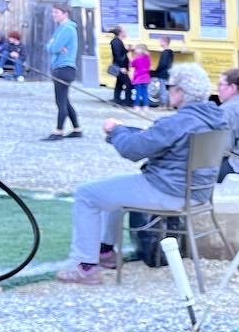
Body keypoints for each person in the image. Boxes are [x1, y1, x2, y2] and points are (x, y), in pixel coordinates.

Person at [56, 63, 226, 285]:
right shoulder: (216, 119)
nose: (167, 90)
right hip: (196, 193)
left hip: (167, 191)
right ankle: (105, 252)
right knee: (113, 191)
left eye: (170, 86)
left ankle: (86, 267)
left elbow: (133, 150)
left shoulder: (178, 121)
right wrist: (126, 130)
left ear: (180, 92)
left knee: (86, 194)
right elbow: (158, 139)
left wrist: (114, 129)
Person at [44, 5, 82, 140]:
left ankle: (58, 131)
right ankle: (77, 129)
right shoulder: (61, 28)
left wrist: (55, 45)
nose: (53, 14)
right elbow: (49, 46)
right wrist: (54, 46)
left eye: (56, 12)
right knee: (65, 100)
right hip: (63, 68)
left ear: (65, 14)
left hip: (64, 68)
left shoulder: (67, 29)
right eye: (53, 12)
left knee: (60, 101)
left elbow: (54, 47)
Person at [109, 26, 132, 107]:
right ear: (120, 33)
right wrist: (121, 67)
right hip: (120, 67)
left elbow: (121, 53)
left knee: (119, 83)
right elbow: (118, 55)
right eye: (124, 31)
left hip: (121, 66)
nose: (126, 33)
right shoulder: (116, 42)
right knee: (128, 84)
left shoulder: (118, 41)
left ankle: (116, 99)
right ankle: (127, 102)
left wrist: (127, 50)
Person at [152, 36, 174, 107]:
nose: (159, 43)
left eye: (160, 41)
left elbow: (163, 64)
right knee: (166, 89)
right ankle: (168, 105)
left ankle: (163, 105)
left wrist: (156, 71)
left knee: (162, 89)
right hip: (167, 72)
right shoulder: (170, 52)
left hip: (162, 73)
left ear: (164, 42)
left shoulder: (165, 52)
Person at [130, 44, 152, 109]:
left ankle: (137, 106)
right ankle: (146, 106)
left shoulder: (137, 58)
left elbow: (132, 64)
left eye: (136, 48)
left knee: (138, 93)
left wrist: (132, 57)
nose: (135, 50)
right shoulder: (147, 58)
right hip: (146, 78)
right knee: (145, 93)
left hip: (138, 78)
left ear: (140, 50)